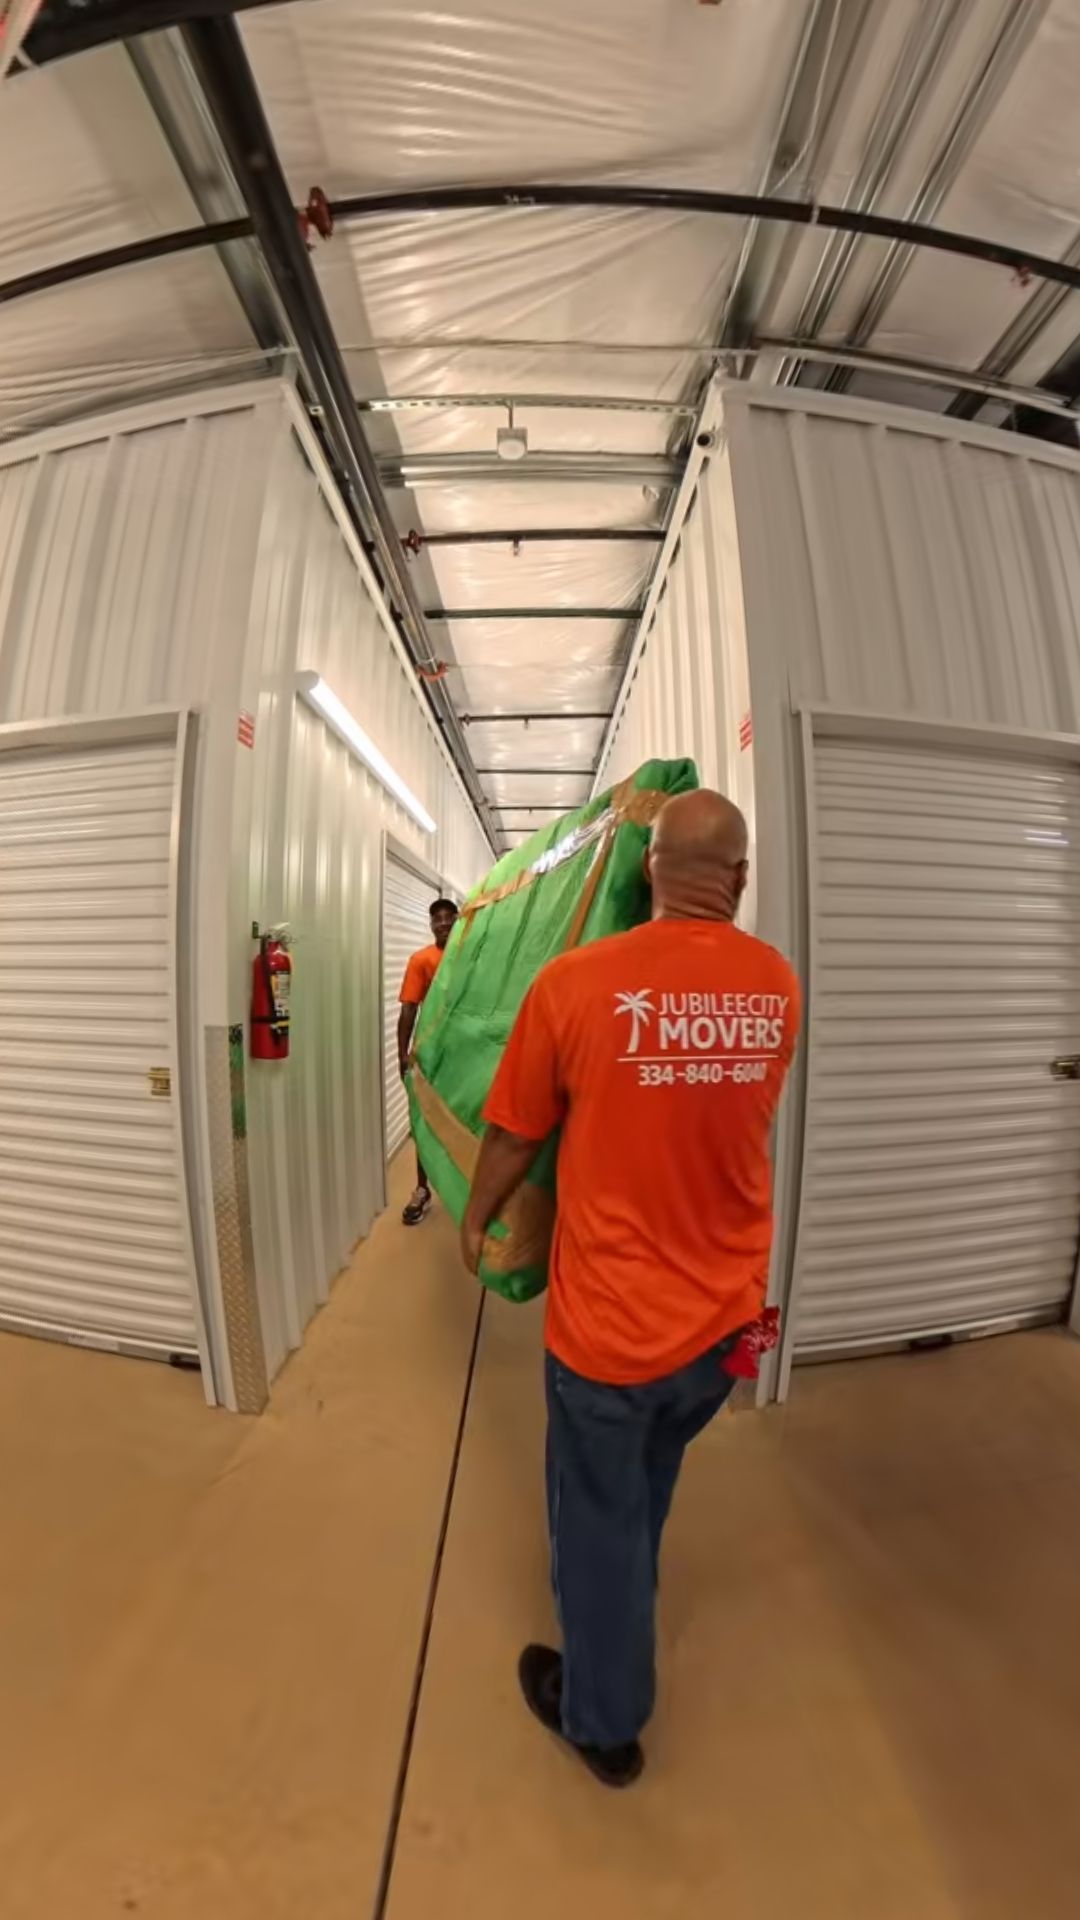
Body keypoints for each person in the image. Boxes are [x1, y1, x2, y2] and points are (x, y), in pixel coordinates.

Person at [461, 790, 799, 1787]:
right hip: (727, 1326)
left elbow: (516, 1132)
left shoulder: (573, 984)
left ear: (646, 869)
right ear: (737, 879)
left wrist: (477, 1220)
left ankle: (602, 1720)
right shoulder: (776, 985)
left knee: (597, 1516)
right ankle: (627, 1598)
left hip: (612, 1332)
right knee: (648, 1482)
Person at [398, 896, 458, 1225]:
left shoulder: (470, 957)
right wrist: (401, 1054)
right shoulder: (421, 960)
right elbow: (409, 1008)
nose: (444, 923)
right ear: (431, 925)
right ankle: (422, 1189)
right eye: (438, 919)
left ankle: (467, 1191)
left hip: (466, 1055)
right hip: (431, 1055)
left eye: (450, 917)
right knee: (424, 1121)